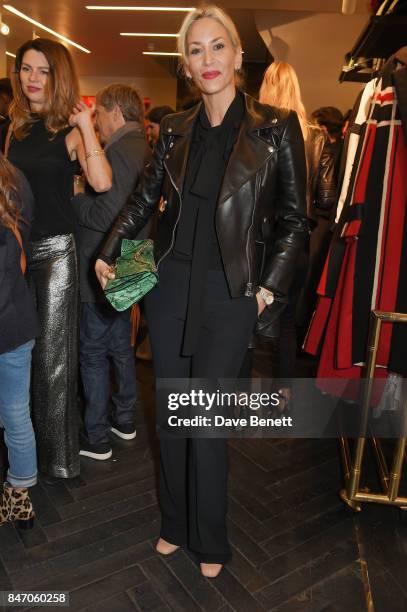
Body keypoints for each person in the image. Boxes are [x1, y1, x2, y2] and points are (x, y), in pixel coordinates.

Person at [96, 5, 307, 578]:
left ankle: (209, 539)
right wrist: (109, 251)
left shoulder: (276, 127)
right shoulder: (176, 130)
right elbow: (142, 200)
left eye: (218, 47)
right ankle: (174, 523)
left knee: (208, 422)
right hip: (168, 286)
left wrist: (266, 291)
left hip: (230, 292)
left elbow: (294, 220)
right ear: (186, 64)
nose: (208, 59)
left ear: (239, 57)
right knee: (172, 413)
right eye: (196, 50)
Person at [7, 38, 112, 480]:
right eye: (26, 69)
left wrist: (87, 127)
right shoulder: (14, 126)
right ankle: (22, 448)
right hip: (14, 256)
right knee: (16, 357)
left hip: (55, 256)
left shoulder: (70, 130)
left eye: (42, 71)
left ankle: (57, 460)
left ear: (58, 75)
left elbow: (103, 183)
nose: (32, 78)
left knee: (52, 360)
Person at [71, 83, 151, 460]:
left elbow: (107, 215)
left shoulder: (120, 151)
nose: (97, 122)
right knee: (120, 345)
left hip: (108, 260)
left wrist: (76, 199)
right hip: (136, 256)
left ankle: (97, 436)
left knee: (93, 351)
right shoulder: (144, 146)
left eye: (99, 114)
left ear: (116, 112)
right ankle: (124, 419)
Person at [259, 61, 337, 390]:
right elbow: (326, 197)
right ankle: (283, 394)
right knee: (288, 321)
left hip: (261, 239)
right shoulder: (316, 136)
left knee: (246, 318)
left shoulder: (258, 132)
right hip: (298, 243)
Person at [0, 152, 39, 528]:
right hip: (18, 327)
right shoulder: (15, 185)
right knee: (15, 413)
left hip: (10, 328)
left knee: (13, 413)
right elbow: (23, 264)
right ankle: (20, 495)